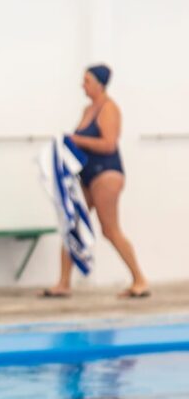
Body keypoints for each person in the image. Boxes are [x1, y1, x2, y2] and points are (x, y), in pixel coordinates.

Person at [43, 64, 149, 298]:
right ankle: (63, 283)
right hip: (87, 175)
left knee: (110, 230)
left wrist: (77, 140)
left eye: (87, 81)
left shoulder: (110, 109)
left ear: (99, 85)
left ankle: (140, 280)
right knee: (72, 225)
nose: (83, 85)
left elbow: (109, 144)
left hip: (107, 174)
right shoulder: (87, 110)